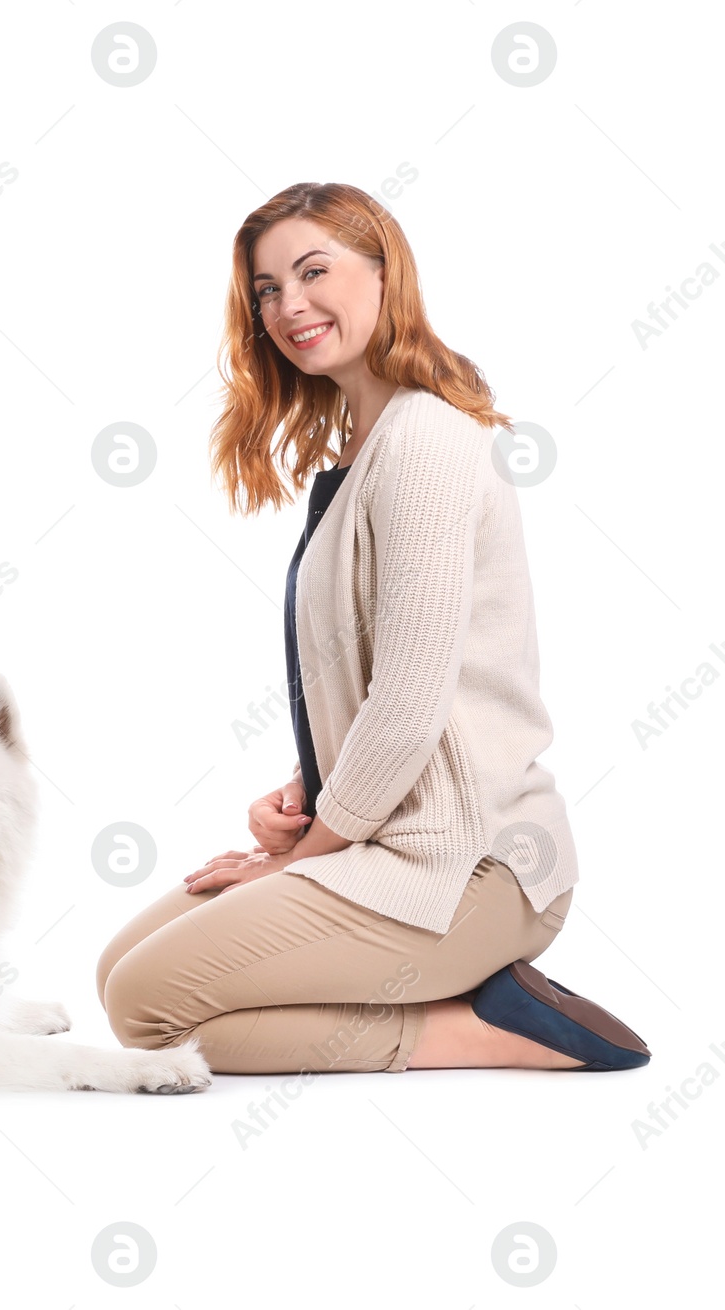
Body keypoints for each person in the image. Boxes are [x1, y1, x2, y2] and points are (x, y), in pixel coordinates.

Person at [94, 182, 649, 1074]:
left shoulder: (424, 440)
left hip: (474, 869)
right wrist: (308, 792)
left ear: (386, 272)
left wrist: (301, 859)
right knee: (120, 969)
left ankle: (479, 1027)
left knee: (145, 1007)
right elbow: (394, 688)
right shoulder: (362, 451)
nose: (289, 305)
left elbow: (410, 702)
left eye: (314, 271)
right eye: (267, 289)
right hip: (391, 840)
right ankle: (432, 987)